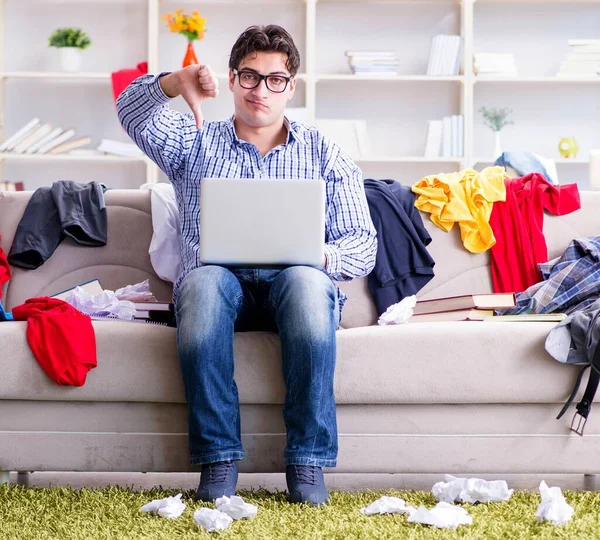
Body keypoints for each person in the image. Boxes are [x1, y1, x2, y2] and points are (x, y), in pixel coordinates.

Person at [117, 24, 377, 506]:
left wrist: (321, 255)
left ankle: (307, 462)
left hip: (294, 288)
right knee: (201, 284)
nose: (261, 90)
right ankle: (218, 460)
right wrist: (176, 82)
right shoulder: (193, 141)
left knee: (305, 282)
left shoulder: (324, 152)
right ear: (232, 80)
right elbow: (130, 108)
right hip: (216, 290)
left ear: (290, 87)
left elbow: (362, 243)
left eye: (274, 80)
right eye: (250, 77)